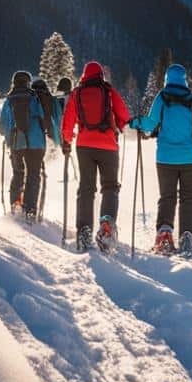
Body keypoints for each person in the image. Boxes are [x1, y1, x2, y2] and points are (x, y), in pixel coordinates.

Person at [129, 64, 192, 255]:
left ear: (167, 79)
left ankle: (164, 234)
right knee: (187, 198)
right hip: (188, 159)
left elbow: (150, 124)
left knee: (167, 197)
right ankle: (186, 236)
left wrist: (136, 122)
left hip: (166, 157)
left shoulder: (162, 97)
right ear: (184, 80)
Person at [61, 62, 130, 251]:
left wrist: (67, 139)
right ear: (100, 75)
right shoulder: (108, 91)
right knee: (109, 187)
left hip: (84, 146)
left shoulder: (77, 93)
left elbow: (67, 121)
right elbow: (124, 115)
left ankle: (84, 231)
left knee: (86, 188)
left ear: (84, 75)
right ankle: (107, 226)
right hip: (108, 146)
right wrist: (121, 127)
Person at [0, 71, 51, 222]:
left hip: (16, 142)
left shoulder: (9, 100)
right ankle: (30, 210)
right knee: (33, 175)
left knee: (18, 173)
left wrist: (8, 134)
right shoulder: (35, 97)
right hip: (36, 143)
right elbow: (43, 117)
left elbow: (2, 127)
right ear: (28, 82)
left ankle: (16, 203)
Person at [30, 77, 63, 219]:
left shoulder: (30, 99)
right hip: (49, 137)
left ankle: (27, 201)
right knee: (44, 169)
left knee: (30, 171)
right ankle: (43, 205)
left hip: (30, 141)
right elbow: (58, 118)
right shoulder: (51, 99)